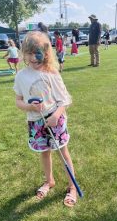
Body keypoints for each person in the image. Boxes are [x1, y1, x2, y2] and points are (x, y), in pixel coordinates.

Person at [13, 31, 77, 207]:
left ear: (46, 53)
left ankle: (72, 186)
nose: (33, 58)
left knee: (63, 152)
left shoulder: (52, 73)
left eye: (38, 53)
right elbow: (18, 101)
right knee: (44, 152)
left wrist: (56, 115)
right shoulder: (21, 76)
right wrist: (30, 107)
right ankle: (49, 181)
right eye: (29, 53)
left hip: (55, 119)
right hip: (36, 121)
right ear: (24, 52)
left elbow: (65, 100)